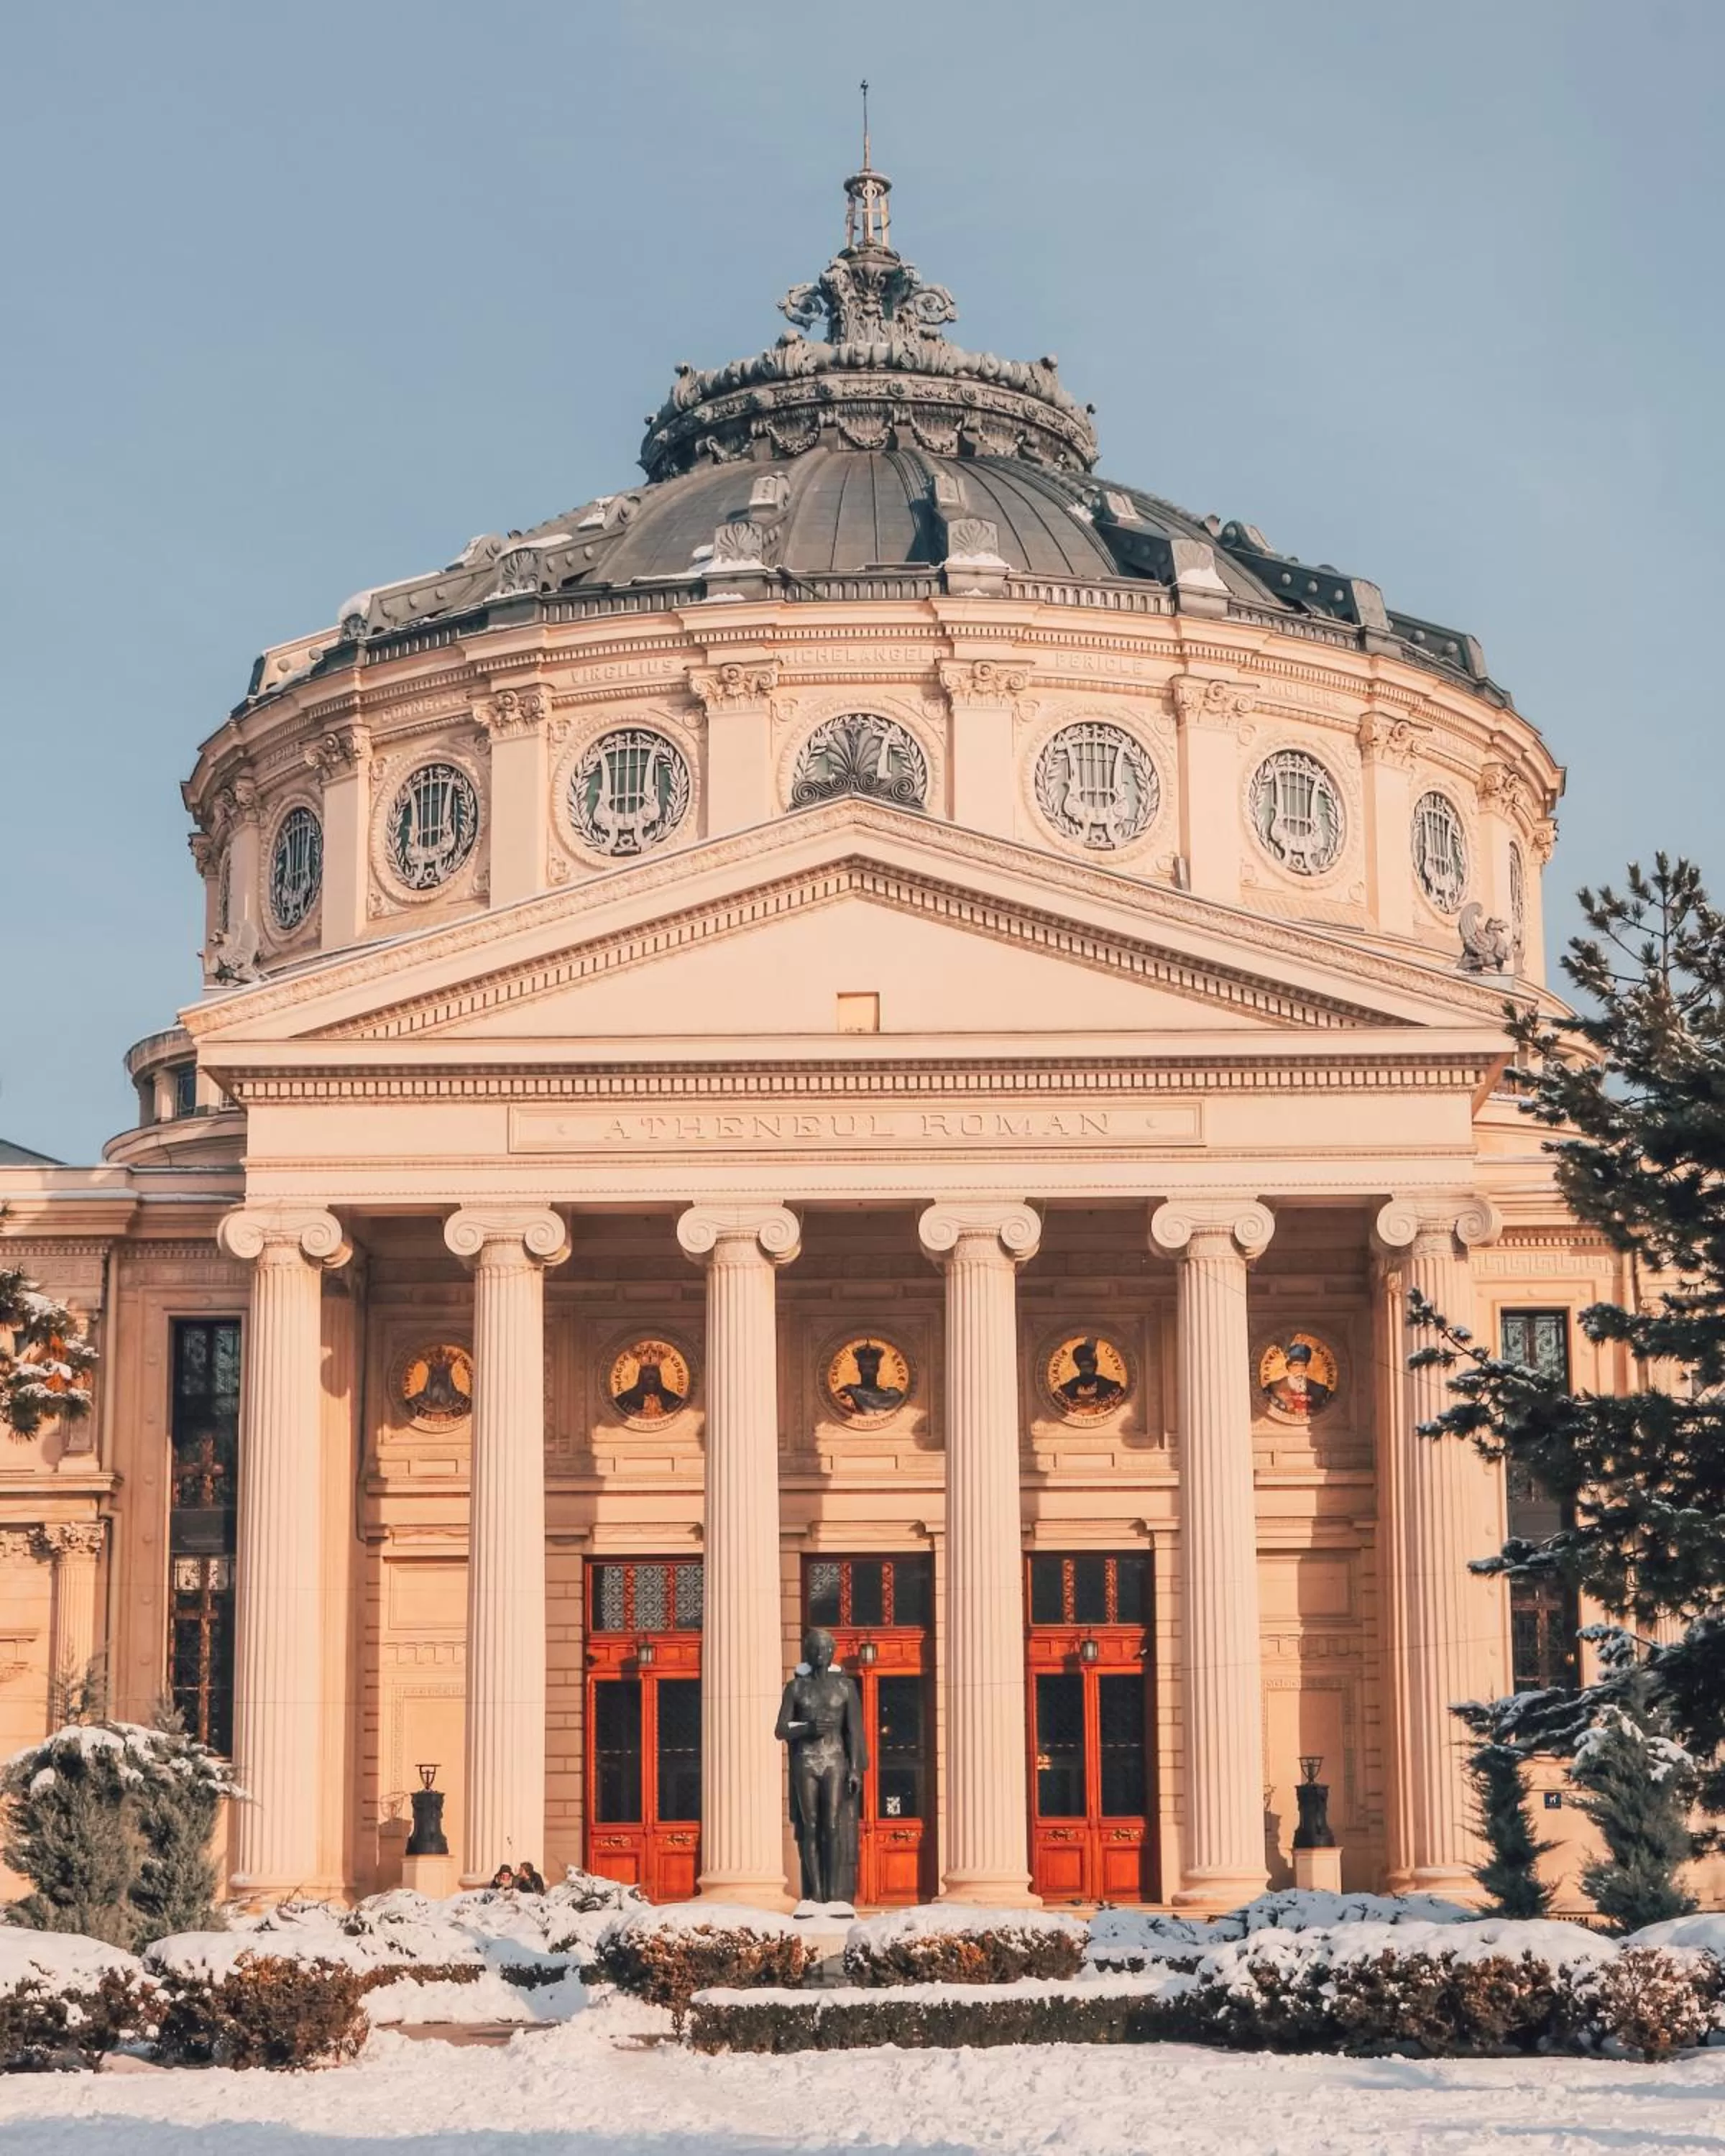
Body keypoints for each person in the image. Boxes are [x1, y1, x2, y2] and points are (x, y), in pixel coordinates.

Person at [775, 1627, 868, 1906]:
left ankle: (833, 1894)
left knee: (833, 1825)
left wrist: (854, 1769)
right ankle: (814, 1893)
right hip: (806, 1760)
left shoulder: (845, 1688)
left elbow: (854, 1731)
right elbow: (781, 1729)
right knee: (811, 1825)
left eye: (825, 1648)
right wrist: (807, 1727)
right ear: (808, 1652)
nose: (820, 1653)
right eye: (815, 1648)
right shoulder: (796, 1688)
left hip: (835, 1760)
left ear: (832, 1653)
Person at [835, 1340, 906, 1416]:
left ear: (877, 1368)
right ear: (859, 1368)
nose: (868, 1371)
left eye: (872, 1367)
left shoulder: (893, 1394)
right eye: (864, 1367)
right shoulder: (848, 1393)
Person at [1057, 1339, 1123, 1411]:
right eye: (1083, 1366)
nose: (1086, 1369)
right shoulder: (1070, 1387)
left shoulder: (1108, 1386)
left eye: (1089, 1366)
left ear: (1094, 1366)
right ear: (1079, 1367)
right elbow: (1059, 1396)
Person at [613, 1355, 684, 1418]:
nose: (650, 1374)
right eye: (646, 1370)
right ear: (640, 1375)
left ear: (659, 1374)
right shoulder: (623, 1400)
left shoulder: (674, 1399)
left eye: (654, 1370)